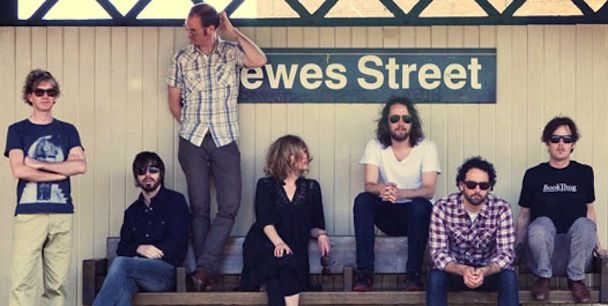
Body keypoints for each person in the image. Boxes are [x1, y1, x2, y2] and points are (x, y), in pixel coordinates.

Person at [166, 3, 267, 291]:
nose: (189, 34)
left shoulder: (229, 52)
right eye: (188, 28)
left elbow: (259, 60)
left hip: (225, 138)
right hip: (192, 140)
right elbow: (174, 103)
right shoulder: (181, 59)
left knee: (230, 205)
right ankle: (205, 275)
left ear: (210, 30)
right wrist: (190, 126)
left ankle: (202, 270)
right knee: (199, 208)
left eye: (194, 30)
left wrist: (234, 34)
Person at [5, 69, 87, 306]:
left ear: (56, 96)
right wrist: (61, 172)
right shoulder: (17, 130)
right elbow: (18, 170)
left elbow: (81, 166)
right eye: (39, 91)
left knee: (57, 285)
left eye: (51, 92)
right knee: (22, 283)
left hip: (62, 214)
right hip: (29, 214)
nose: (45, 96)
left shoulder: (68, 130)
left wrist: (39, 165)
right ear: (29, 95)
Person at [352, 97, 440, 291]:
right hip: (388, 212)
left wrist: (401, 193)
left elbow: (428, 189)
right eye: (395, 119)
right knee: (363, 201)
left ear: (412, 122)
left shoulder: (427, 147)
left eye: (406, 118)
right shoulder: (375, 146)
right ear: (386, 122)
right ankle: (364, 273)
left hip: (415, 216)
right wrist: (382, 189)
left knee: (421, 205)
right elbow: (369, 184)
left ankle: (413, 275)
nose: (401, 123)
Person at [515, 116, 606, 303]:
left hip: (574, 253)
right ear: (547, 143)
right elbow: (524, 215)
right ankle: (543, 277)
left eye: (567, 139)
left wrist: (598, 246)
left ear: (573, 144)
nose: (561, 144)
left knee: (584, 224)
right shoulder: (534, 174)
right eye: (555, 139)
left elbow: (590, 211)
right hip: (541, 252)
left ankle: (576, 279)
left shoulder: (584, 173)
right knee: (541, 222)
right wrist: (516, 248)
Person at [239, 135, 330, 306]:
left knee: (277, 281)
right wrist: (279, 244)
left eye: (305, 151)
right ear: (284, 156)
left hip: (295, 253)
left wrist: (321, 234)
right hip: (265, 247)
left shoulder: (311, 187)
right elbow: (264, 220)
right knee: (285, 261)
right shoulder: (265, 185)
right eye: (298, 152)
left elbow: (314, 225)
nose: (305, 156)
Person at [92, 152, 189, 306]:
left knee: (121, 264)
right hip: (134, 274)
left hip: (164, 273)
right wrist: (139, 248)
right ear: (136, 177)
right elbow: (122, 248)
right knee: (123, 288)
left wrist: (153, 251)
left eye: (153, 170)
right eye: (141, 171)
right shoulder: (132, 212)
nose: (147, 175)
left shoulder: (175, 201)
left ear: (161, 173)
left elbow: (178, 243)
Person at [427, 157, 518, 306]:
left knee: (508, 277)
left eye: (483, 186)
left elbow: (506, 254)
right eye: (471, 185)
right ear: (461, 185)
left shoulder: (501, 208)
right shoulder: (443, 207)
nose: (477, 190)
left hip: (488, 273)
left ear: (490, 187)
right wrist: (462, 270)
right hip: (455, 273)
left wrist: (484, 271)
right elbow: (438, 253)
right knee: (436, 277)